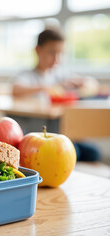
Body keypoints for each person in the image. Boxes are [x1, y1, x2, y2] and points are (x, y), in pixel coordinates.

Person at [11, 28, 101, 162]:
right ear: (38, 50)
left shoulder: (60, 74)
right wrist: (48, 88)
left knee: (94, 153)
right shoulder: (27, 76)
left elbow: (92, 84)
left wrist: (82, 83)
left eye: (60, 54)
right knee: (74, 151)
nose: (56, 59)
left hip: (61, 133)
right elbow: (16, 90)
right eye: (52, 53)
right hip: (37, 134)